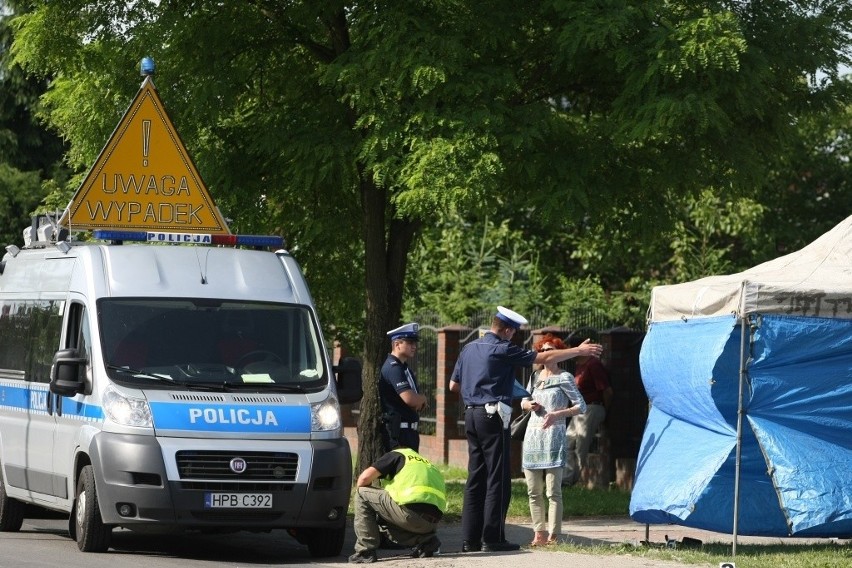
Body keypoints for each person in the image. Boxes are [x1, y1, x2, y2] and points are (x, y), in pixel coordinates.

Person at [448, 306, 602, 553]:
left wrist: (478, 391)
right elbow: (541, 358)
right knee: (497, 478)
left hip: (471, 415)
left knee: (475, 478)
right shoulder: (503, 347)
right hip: (492, 416)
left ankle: (470, 540)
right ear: (507, 330)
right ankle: (492, 539)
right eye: (513, 333)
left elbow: (453, 385)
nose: (513, 337)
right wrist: (579, 351)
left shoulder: (469, 348)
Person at [520, 333, 587, 546]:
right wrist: (528, 405)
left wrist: (557, 414)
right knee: (533, 490)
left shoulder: (564, 377)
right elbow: (523, 400)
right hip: (532, 437)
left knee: (553, 491)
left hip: (553, 438)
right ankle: (538, 532)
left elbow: (581, 406)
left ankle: (554, 534)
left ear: (558, 354)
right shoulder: (534, 377)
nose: (546, 353)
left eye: (551, 349)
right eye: (543, 350)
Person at [348, 446, 447, 564]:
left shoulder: (397, 455)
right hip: (432, 523)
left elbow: (363, 479)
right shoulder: (427, 463)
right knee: (385, 524)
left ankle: (365, 551)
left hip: (410, 514)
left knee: (362, 493)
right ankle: (426, 541)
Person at [563, 336, 613, 487]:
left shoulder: (593, 365)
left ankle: (569, 481)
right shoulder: (580, 365)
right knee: (566, 442)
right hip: (580, 409)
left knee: (580, 445)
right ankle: (565, 478)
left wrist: (605, 411)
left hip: (592, 407)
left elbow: (607, 391)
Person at [379, 323, 428, 452]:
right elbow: (410, 399)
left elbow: (416, 404)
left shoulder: (404, 368)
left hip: (408, 432)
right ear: (397, 344)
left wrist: (418, 401)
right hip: (399, 433)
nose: (414, 346)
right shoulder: (393, 368)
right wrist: (422, 398)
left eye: (415, 343)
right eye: (410, 342)